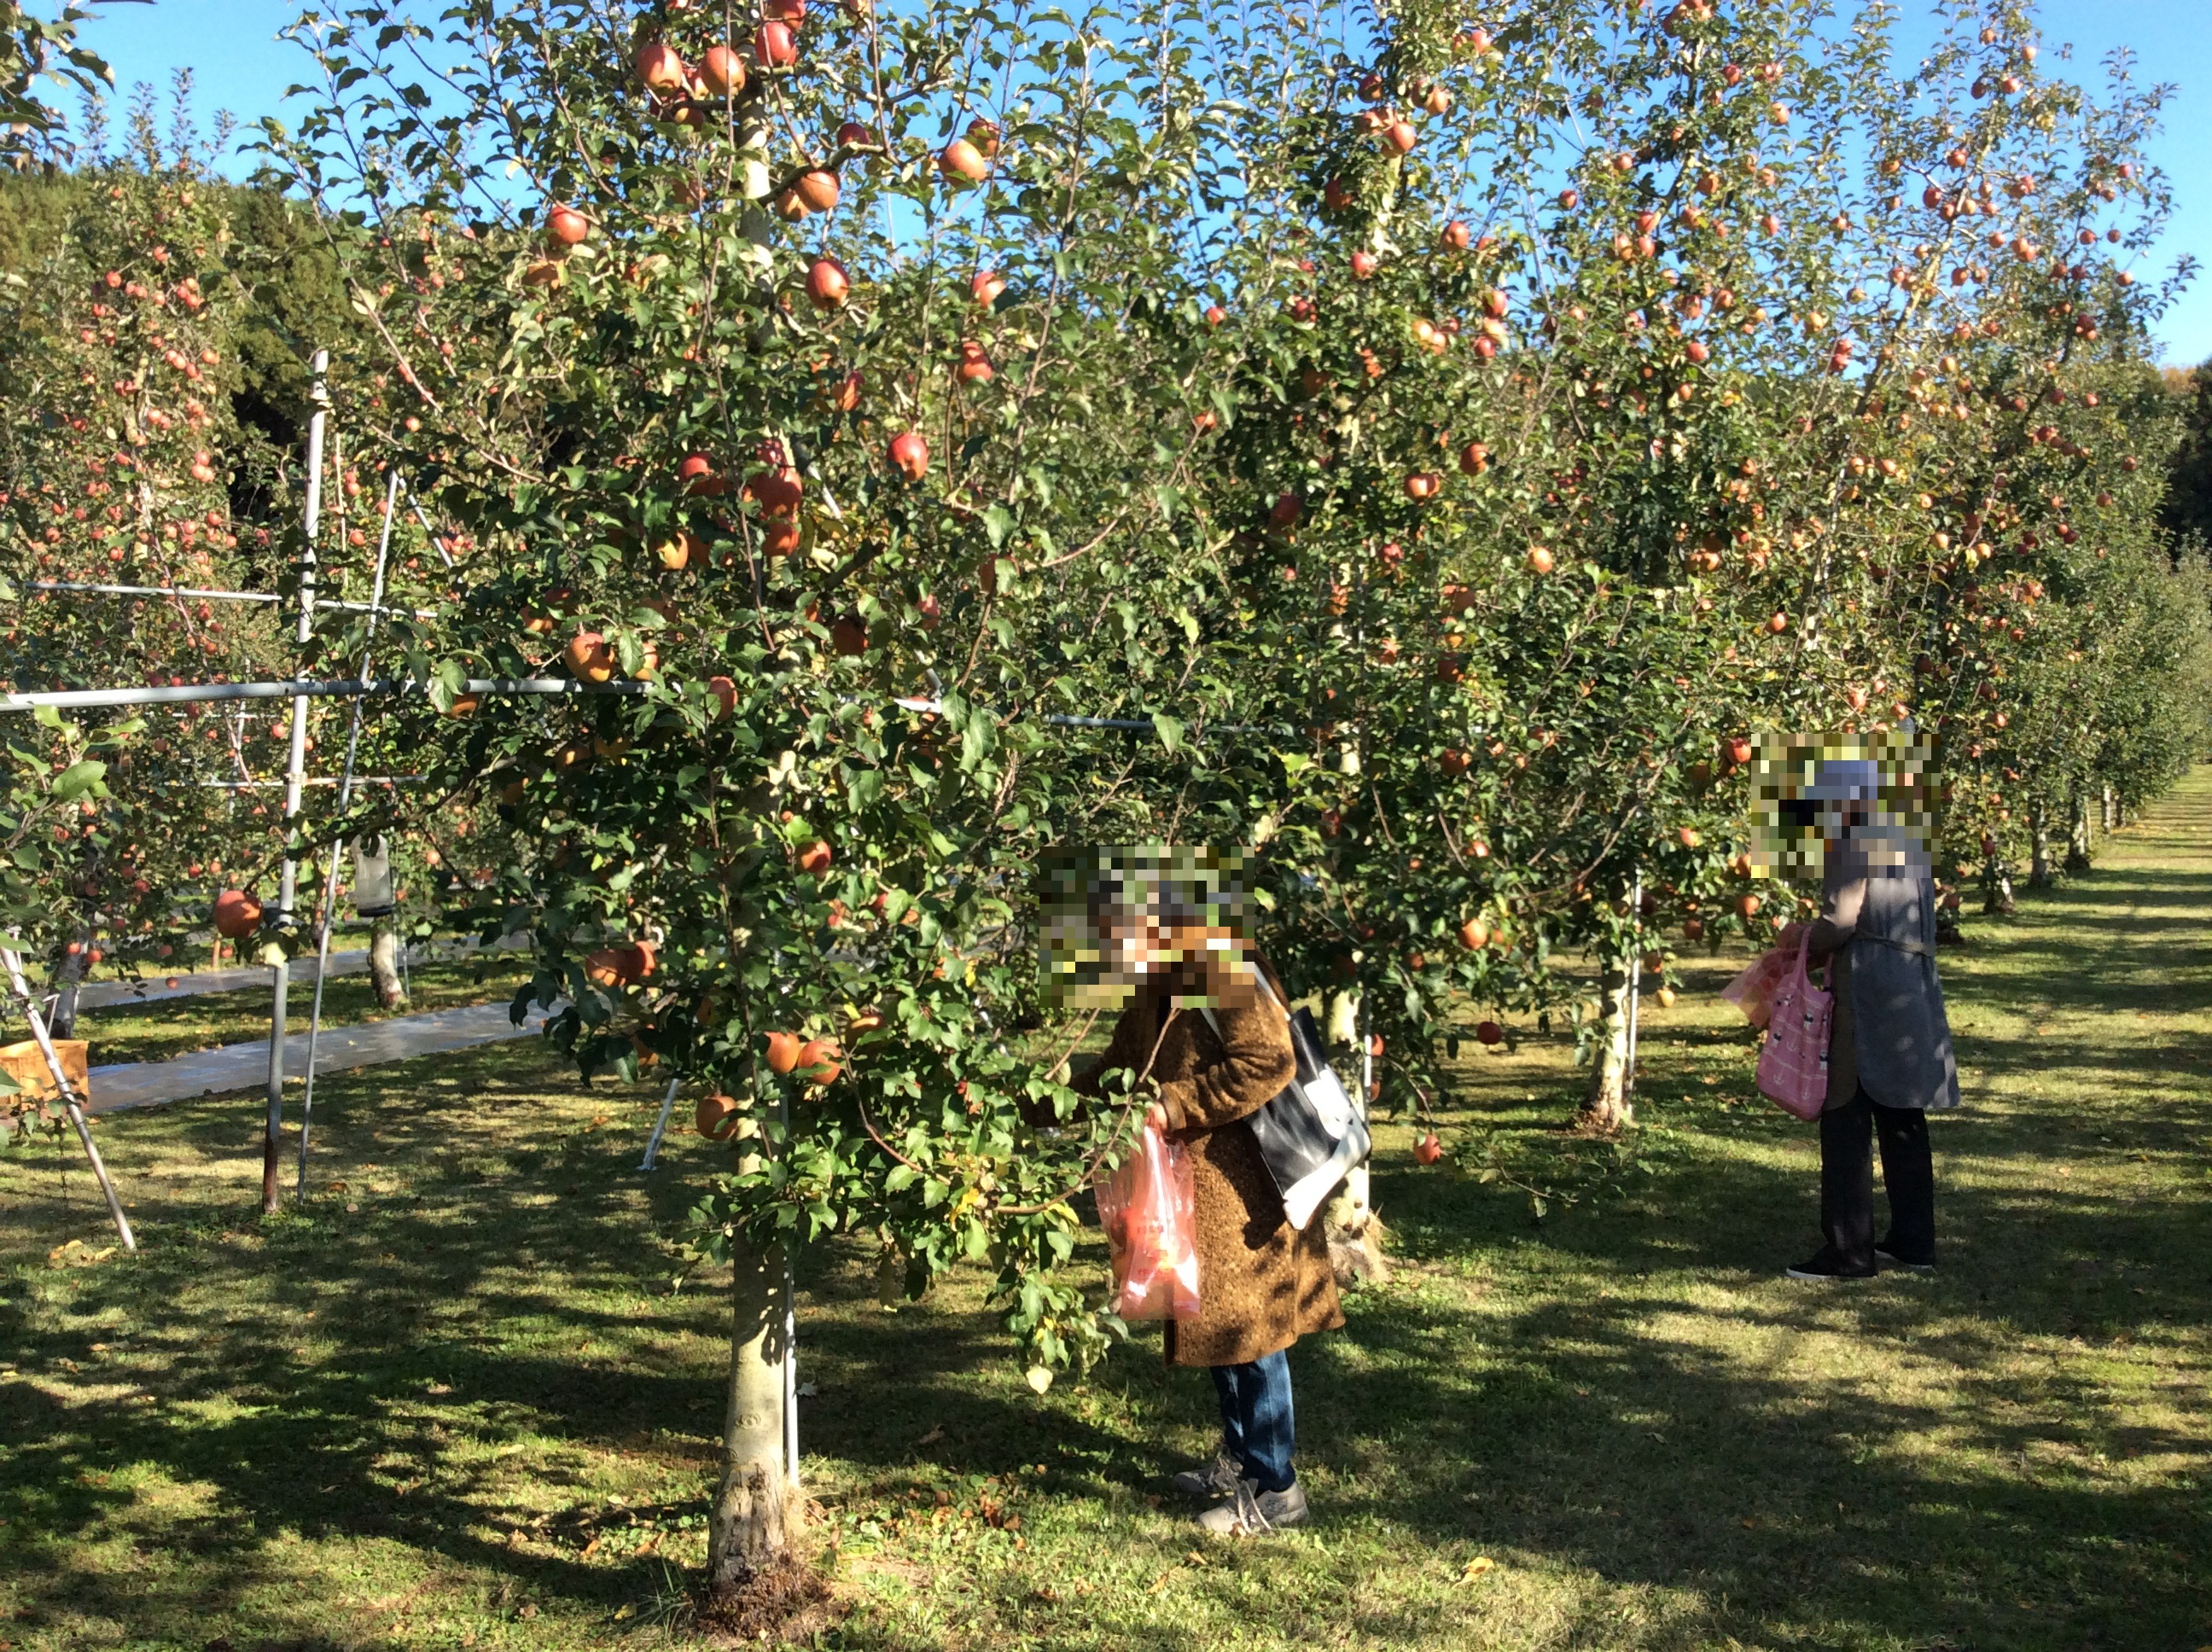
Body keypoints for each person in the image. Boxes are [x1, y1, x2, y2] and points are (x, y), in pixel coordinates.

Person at [1074, 879, 1344, 1536]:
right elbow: (1118, 1067)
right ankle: (1241, 1458)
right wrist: (1032, 1094)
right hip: (1201, 1192)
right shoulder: (1158, 983)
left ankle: (1276, 1487)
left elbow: (1269, 1059)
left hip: (1249, 1192)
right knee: (1218, 1328)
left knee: (1253, 1335)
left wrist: (1175, 1106)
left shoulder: (1219, 967)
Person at [1784, 758, 1961, 1280]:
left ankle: (1848, 1250)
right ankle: (1913, 1242)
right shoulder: (1906, 830)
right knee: (1903, 1112)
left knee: (1845, 1113)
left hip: (1869, 985)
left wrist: (1799, 943)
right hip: (1911, 981)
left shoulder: (1853, 834)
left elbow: (1840, 919)